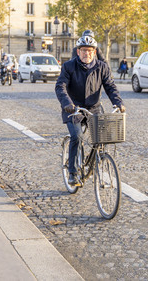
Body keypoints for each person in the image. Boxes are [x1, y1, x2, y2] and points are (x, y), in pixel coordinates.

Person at [55, 35, 125, 186]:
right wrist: (67, 103)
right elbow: (60, 87)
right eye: (84, 50)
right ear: (78, 51)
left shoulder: (102, 67)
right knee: (77, 136)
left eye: (90, 51)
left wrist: (118, 103)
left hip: (93, 108)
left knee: (103, 137)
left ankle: (97, 160)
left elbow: (110, 87)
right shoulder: (69, 66)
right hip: (74, 109)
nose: (87, 54)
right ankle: (73, 173)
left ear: (95, 52)